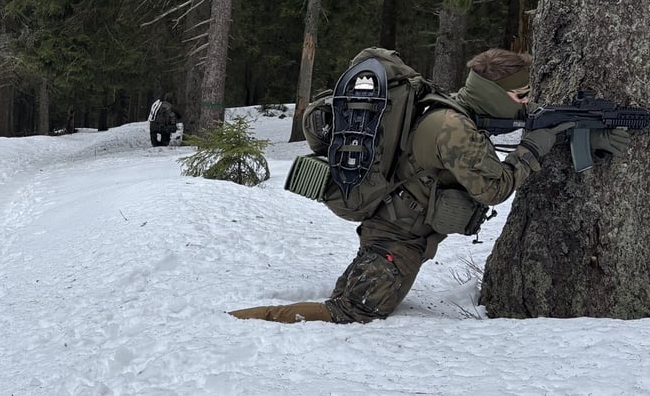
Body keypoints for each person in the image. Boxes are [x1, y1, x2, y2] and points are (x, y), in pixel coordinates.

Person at [229, 48, 630, 323]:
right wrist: (533, 147)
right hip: (397, 240)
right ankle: (241, 321)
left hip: (393, 226)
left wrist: (579, 133)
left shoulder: (449, 106)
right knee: (353, 310)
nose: (527, 104)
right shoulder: (453, 127)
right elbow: (495, 188)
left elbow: (509, 127)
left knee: (354, 297)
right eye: (521, 95)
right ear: (496, 93)